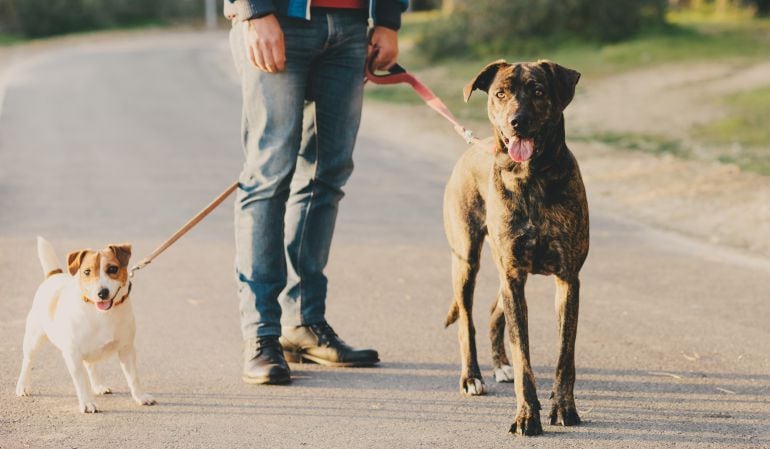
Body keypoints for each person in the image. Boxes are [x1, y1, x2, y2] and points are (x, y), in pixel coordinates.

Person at [224, 0, 406, 385]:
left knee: (328, 173)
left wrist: (388, 19)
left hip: (352, 25)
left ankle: (303, 322)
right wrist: (254, 11)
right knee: (269, 175)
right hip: (277, 18)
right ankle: (261, 334)